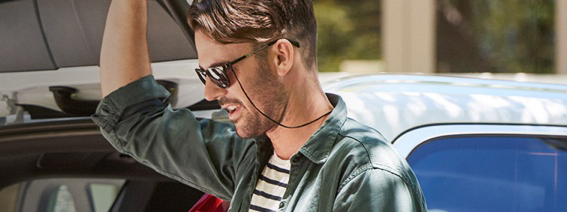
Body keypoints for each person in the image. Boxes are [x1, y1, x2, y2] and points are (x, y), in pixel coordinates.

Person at [93, 0, 427, 211]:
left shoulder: (365, 175)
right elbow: (132, 117)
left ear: (281, 57)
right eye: (204, 74)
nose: (210, 92)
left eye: (221, 72)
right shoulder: (246, 158)